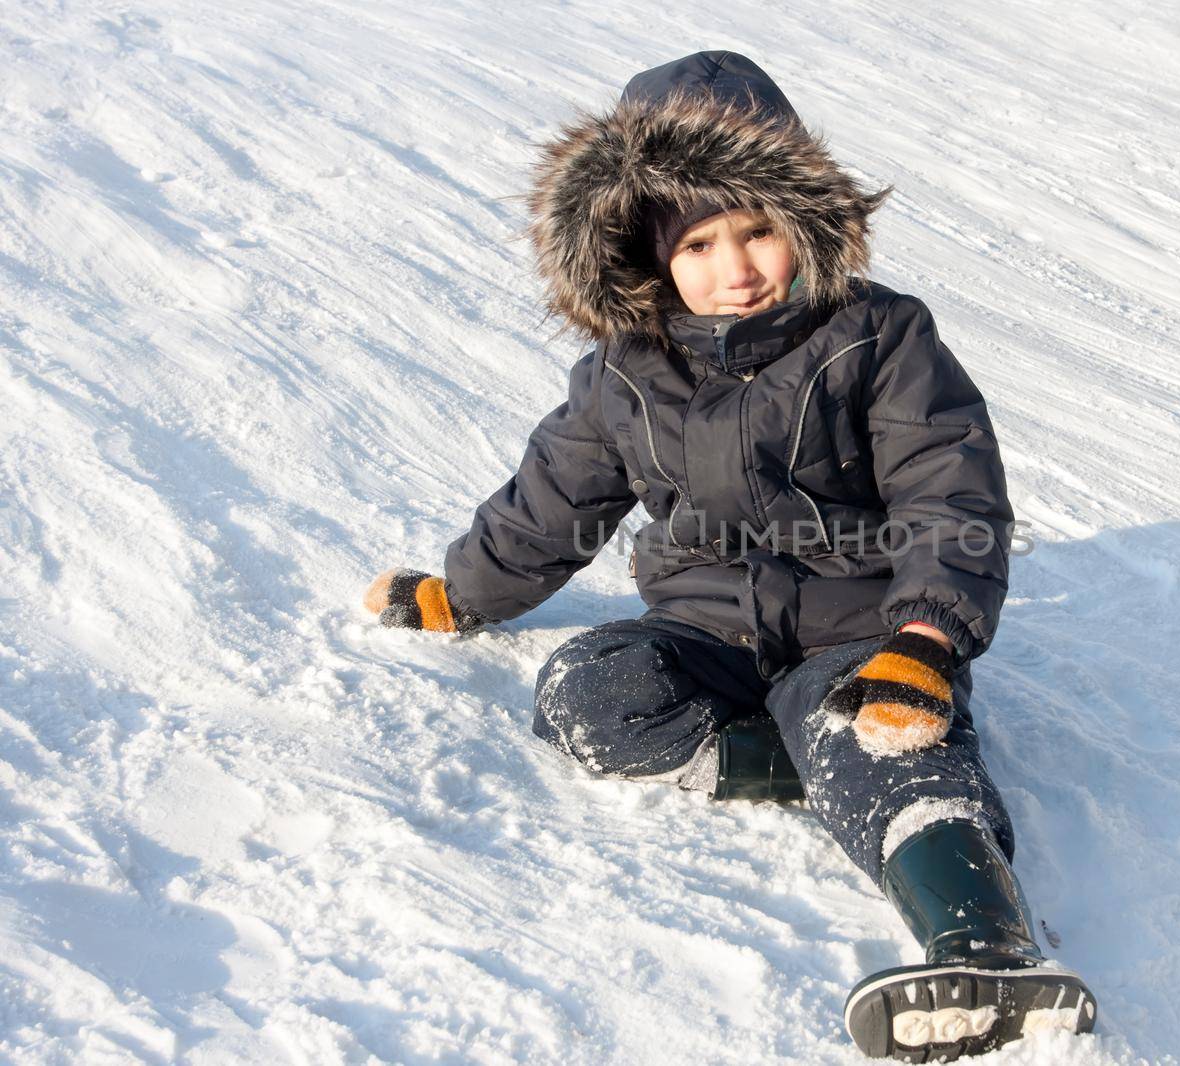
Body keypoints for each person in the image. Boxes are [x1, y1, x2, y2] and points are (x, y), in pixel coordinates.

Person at [365, 50, 1095, 1060]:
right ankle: (805, 761)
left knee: (884, 737)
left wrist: (926, 637)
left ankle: (987, 946)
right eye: (700, 241)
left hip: (862, 626)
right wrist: (463, 594)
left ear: (804, 221)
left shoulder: (876, 337)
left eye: (758, 230)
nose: (736, 266)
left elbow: (948, 491)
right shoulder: (626, 373)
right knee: (586, 689)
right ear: (644, 252)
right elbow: (553, 500)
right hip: (706, 625)